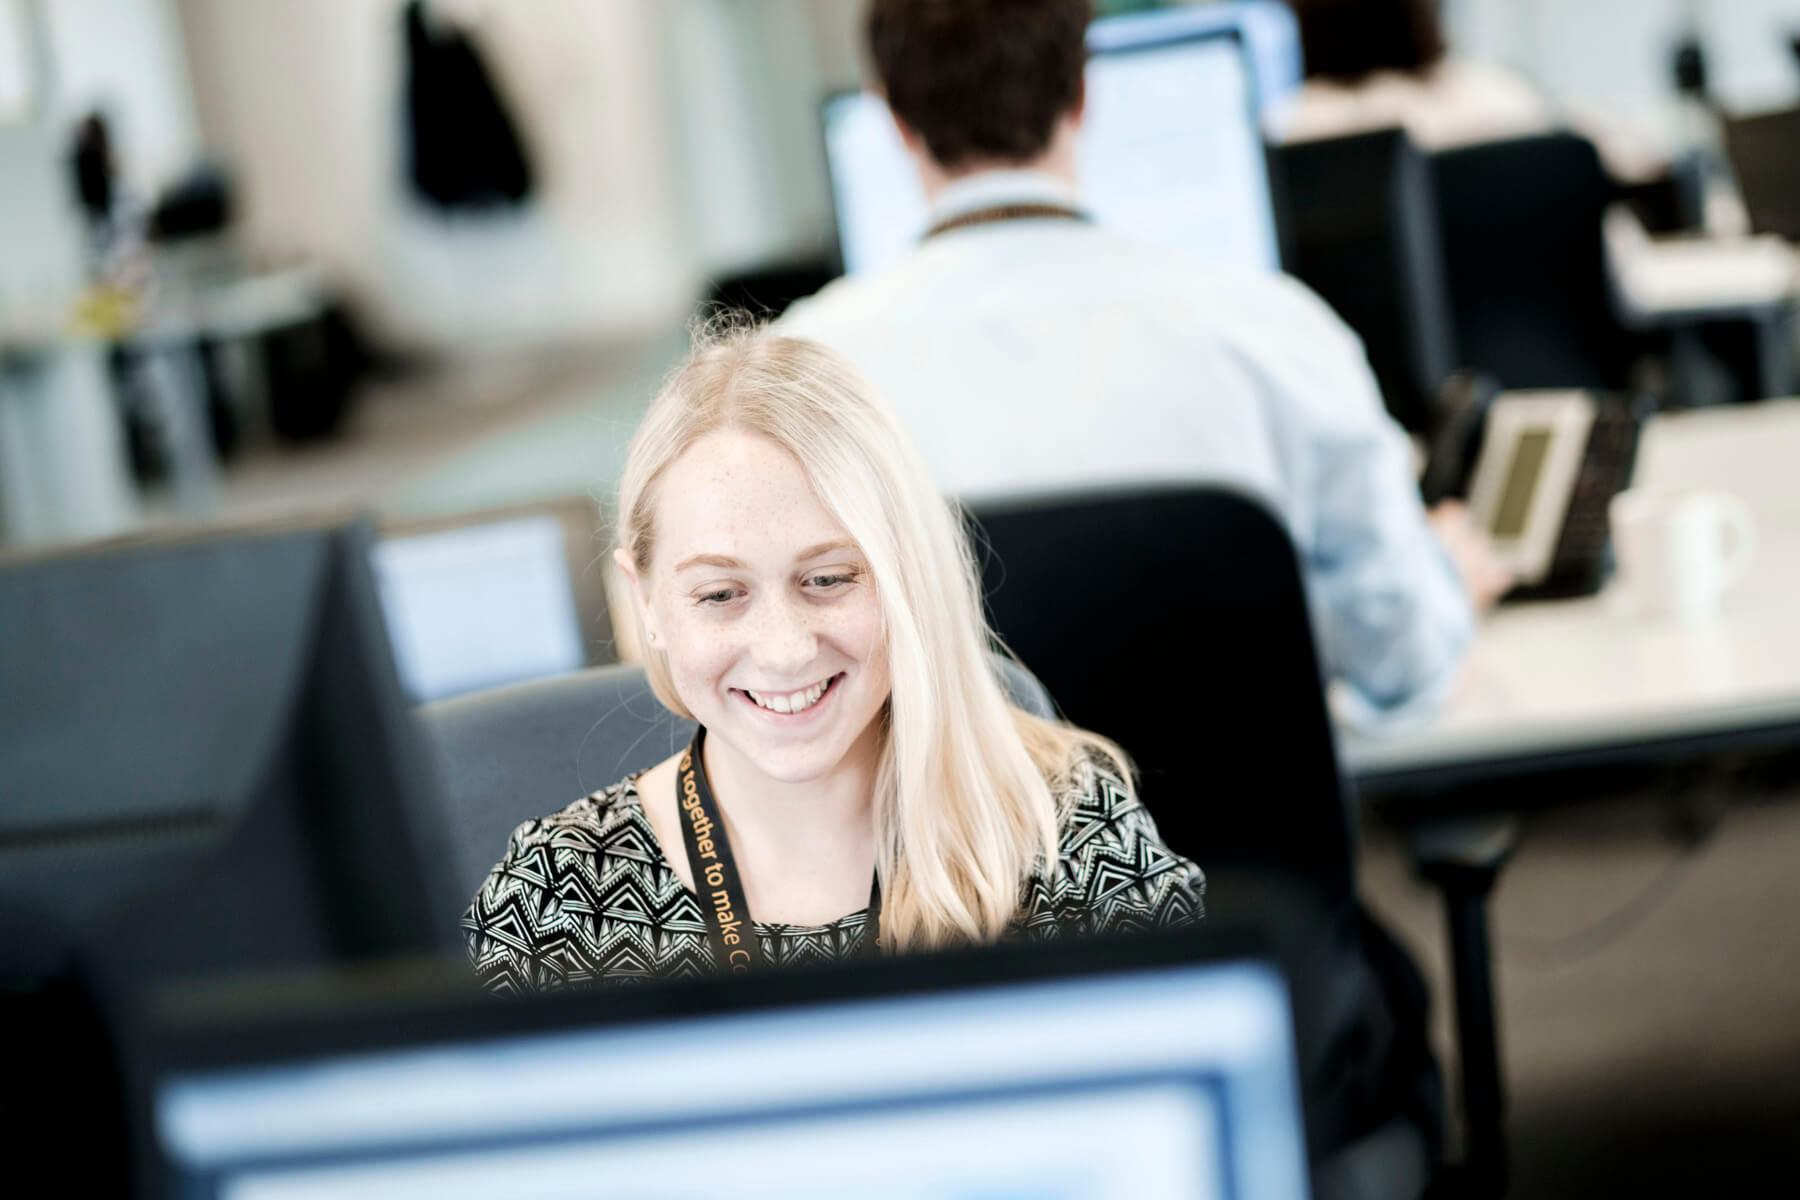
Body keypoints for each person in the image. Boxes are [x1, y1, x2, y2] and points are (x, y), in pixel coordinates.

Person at [779, 0, 1509, 730]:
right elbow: (1407, 671)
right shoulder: (1276, 333)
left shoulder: (791, 378)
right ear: (1085, 92)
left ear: (892, 119)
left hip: (950, 843)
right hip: (1233, 838)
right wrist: (1446, 589)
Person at [463, 328, 1205, 992]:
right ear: (647, 604)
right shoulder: (555, 899)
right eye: (721, 594)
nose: (785, 648)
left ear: (907, 573)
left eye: (828, 580)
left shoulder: (1060, 824)